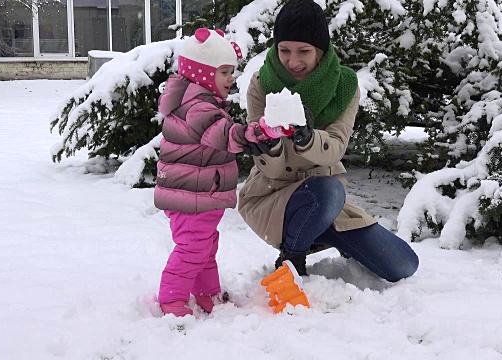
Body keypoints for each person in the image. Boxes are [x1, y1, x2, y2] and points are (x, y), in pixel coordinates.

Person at [238, 0, 419, 281]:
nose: (293, 61)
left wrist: (308, 138)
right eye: (284, 50)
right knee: (329, 191)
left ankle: (320, 228)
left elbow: (336, 146)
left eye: (304, 51)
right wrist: (268, 144)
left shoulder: (344, 86)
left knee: (403, 265)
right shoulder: (262, 84)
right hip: (274, 195)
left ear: (320, 51)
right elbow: (270, 169)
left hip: (328, 200)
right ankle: (292, 256)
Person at [154, 28, 268, 317]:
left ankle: (206, 293)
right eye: (225, 72)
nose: (232, 78)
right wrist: (256, 133)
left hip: (199, 192)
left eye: (232, 71)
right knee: (193, 247)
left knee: (205, 245)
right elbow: (224, 135)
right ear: (203, 74)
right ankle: (171, 298)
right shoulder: (198, 107)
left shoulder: (200, 102)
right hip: (190, 193)